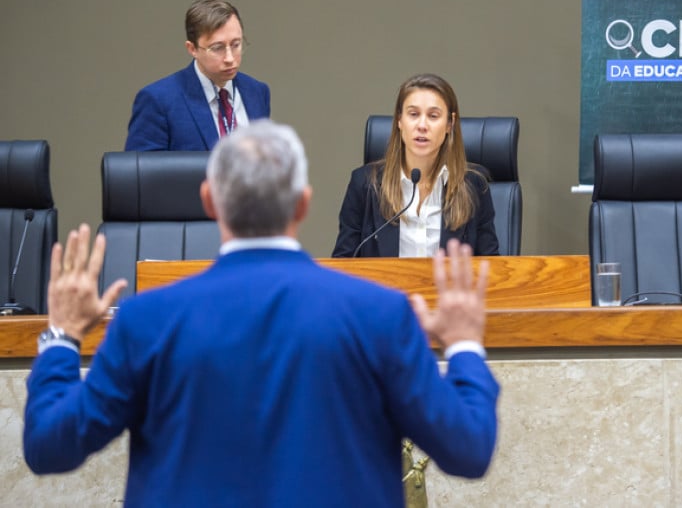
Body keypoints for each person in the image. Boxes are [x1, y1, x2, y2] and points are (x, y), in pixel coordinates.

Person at [24, 119, 500, 507]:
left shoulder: (146, 320)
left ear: (209, 200)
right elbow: (468, 449)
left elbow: (50, 446)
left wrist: (63, 336)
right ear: (304, 203)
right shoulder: (381, 315)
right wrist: (462, 345)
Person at [332, 73, 499, 258]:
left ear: (449, 124)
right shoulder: (364, 184)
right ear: (399, 121)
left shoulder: (474, 187)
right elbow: (343, 265)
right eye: (413, 114)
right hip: (384, 287)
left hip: (447, 288)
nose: (422, 125)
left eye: (433, 116)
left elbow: (492, 268)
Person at [124, 0, 271, 151]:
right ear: (192, 49)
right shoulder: (158, 100)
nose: (229, 58)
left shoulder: (257, 92)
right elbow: (141, 171)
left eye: (236, 45)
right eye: (217, 48)